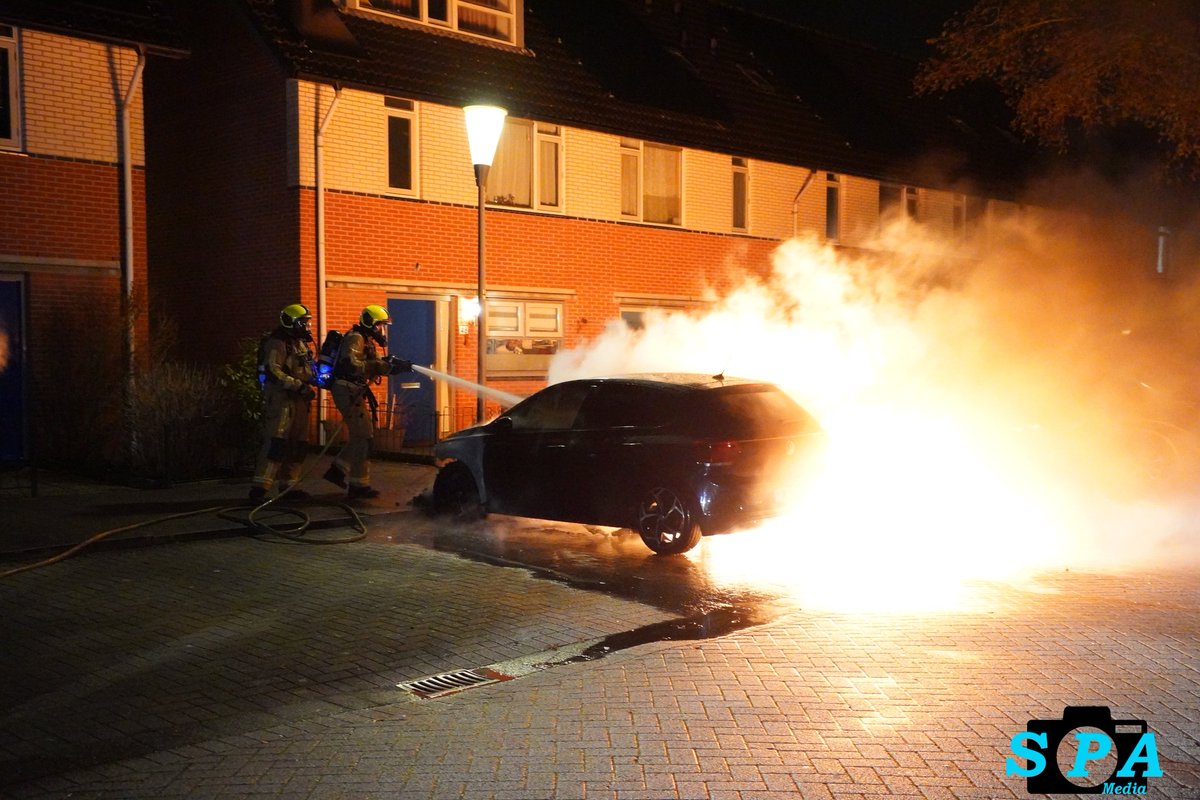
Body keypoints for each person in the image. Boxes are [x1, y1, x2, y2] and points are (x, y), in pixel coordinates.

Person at [324, 304, 412, 499]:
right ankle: (357, 485)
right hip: (347, 389)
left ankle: (338, 470)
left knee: (361, 435)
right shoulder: (356, 338)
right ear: (370, 323)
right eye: (380, 325)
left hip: (353, 390)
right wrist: (383, 366)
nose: (382, 330)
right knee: (363, 436)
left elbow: (377, 364)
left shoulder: (367, 340)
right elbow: (352, 364)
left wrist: (394, 365)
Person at [250, 303, 317, 502]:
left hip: (299, 400)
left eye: (307, 323)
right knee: (276, 443)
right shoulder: (277, 342)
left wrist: (319, 379)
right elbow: (273, 370)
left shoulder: (299, 343)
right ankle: (260, 488)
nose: (306, 327)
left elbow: (307, 368)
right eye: (303, 323)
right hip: (281, 400)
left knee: (299, 444)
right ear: (291, 323)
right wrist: (297, 385)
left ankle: (290, 485)